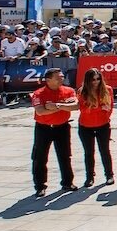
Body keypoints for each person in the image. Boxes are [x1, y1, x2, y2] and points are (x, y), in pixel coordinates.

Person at [31, 68, 79, 196]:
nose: (61, 79)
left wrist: (56, 106)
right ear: (48, 80)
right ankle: (40, 186)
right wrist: (63, 106)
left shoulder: (68, 90)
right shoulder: (39, 93)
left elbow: (75, 106)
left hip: (62, 127)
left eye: (62, 77)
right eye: (58, 78)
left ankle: (67, 182)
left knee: (65, 156)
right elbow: (40, 111)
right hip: (43, 128)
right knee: (40, 157)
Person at [77, 68, 114, 186]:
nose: (96, 82)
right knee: (88, 152)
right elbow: (83, 109)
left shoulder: (107, 90)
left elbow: (109, 107)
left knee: (105, 151)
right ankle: (89, 177)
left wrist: (96, 108)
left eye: (98, 79)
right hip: (85, 125)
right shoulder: (82, 91)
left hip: (103, 124)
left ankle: (109, 175)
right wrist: (99, 108)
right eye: (93, 80)